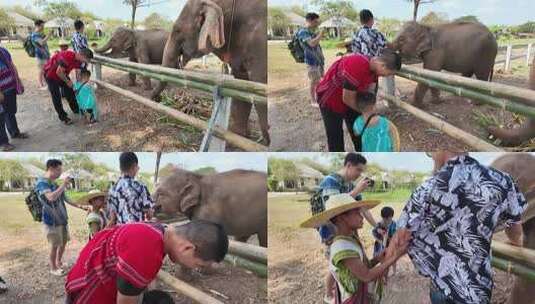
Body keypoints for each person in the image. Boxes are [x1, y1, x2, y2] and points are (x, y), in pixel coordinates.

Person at [396, 152, 526, 304]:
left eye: (432, 154)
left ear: (441, 151)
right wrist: (517, 243)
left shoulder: (427, 187)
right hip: (477, 290)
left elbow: (403, 235)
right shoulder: (502, 181)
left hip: (441, 286)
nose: (432, 157)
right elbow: (515, 230)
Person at [65, 221, 228, 304]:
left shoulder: (157, 230)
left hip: (85, 279)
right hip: (88, 296)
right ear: (187, 248)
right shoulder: (147, 249)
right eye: (198, 265)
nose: (194, 268)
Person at [301, 194, 411, 304]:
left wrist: (377, 259)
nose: (362, 216)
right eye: (357, 213)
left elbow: (361, 268)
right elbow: (367, 276)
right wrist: (396, 256)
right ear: (342, 218)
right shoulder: (342, 248)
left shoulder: (350, 239)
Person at [316, 153, 377, 303]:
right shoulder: (330, 182)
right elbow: (335, 209)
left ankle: (344, 293)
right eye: (358, 170)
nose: (359, 175)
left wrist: (377, 226)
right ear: (348, 165)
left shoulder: (349, 184)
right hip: (332, 234)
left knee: (345, 265)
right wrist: (356, 191)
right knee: (335, 266)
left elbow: (361, 208)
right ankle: (329, 295)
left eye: (361, 171)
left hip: (348, 233)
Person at [316, 49, 401, 152]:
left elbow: (370, 94)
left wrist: (371, 114)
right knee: (335, 138)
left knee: (359, 134)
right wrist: (368, 114)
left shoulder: (374, 72)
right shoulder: (356, 65)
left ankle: (363, 158)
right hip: (330, 100)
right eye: (388, 73)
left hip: (351, 99)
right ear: (382, 65)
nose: (386, 76)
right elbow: (347, 98)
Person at [36, 159, 88, 276]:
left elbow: (65, 198)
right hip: (51, 221)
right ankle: (53, 268)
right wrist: (64, 184)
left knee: (63, 242)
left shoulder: (54, 183)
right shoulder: (42, 183)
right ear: (51, 168)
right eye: (59, 170)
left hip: (62, 219)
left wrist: (81, 206)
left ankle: (59, 262)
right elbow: (51, 197)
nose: (60, 173)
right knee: (55, 245)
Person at [351, 9, 396, 108]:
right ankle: (370, 113)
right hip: (373, 68)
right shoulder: (376, 33)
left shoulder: (355, 34)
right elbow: (388, 45)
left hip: (357, 69)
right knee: (370, 93)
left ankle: (361, 112)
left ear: (361, 20)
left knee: (359, 93)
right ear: (371, 20)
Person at [43, 48, 93, 125]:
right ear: (81, 55)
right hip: (51, 75)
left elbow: (80, 73)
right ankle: (63, 117)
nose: (85, 62)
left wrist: (80, 85)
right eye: (86, 60)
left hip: (62, 74)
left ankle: (76, 109)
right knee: (56, 96)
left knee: (70, 92)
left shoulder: (79, 61)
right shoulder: (67, 56)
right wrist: (68, 81)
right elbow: (58, 72)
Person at [107, 152, 154, 226]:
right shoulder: (141, 186)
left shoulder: (113, 189)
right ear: (134, 166)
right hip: (137, 230)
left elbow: (112, 219)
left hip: (121, 232)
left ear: (120, 168)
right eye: (137, 167)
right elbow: (149, 213)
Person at [0, 45, 27, 151]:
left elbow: (12, 66)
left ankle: (14, 132)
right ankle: (3, 143)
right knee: (1, 117)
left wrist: (18, 81)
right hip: (1, 91)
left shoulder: (3, 51)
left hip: (10, 87)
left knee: (11, 111)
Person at [296, 13, 325, 107]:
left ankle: (318, 98)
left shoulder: (310, 31)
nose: (317, 24)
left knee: (319, 80)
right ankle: (313, 101)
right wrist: (320, 35)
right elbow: (312, 43)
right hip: (311, 61)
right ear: (310, 20)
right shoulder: (302, 32)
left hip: (318, 60)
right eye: (316, 21)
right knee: (314, 81)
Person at [372, 206, 397, 276]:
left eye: (390, 218)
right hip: (381, 244)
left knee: (392, 258)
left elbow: (395, 233)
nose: (388, 220)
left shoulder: (393, 224)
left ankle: (394, 271)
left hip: (390, 243)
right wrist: (379, 238)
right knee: (383, 259)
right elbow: (374, 232)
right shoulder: (380, 224)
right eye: (385, 219)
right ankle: (384, 274)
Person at [30, 19, 50, 89]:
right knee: (41, 70)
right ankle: (41, 84)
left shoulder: (39, 34)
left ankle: (45, 83)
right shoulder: (34, 35)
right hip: (40, 55)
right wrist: (48, 35)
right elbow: (41, 42)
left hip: (45, 55)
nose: (43, 27)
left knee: (45, 70)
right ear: (37, 26)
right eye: (42, 26)